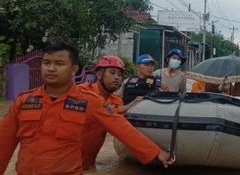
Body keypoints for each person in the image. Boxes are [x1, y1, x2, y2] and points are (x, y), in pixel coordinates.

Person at [0, 42, 173, 174]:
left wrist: (156, 152)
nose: (51, 68)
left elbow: (120, 127)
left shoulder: (89, 101)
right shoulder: (24, 102)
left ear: (74, 69)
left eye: (59, 64)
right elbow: (4, 142)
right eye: (46, 63)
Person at [77, 55, 142, 170]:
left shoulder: (117, 101)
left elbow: (121, 127)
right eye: (112, 72)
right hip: (67, 165)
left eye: (120, 75)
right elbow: (101, 109)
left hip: (89, 165)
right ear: (99, 74)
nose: (117, 77)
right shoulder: (82, 91)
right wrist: (128, 105)